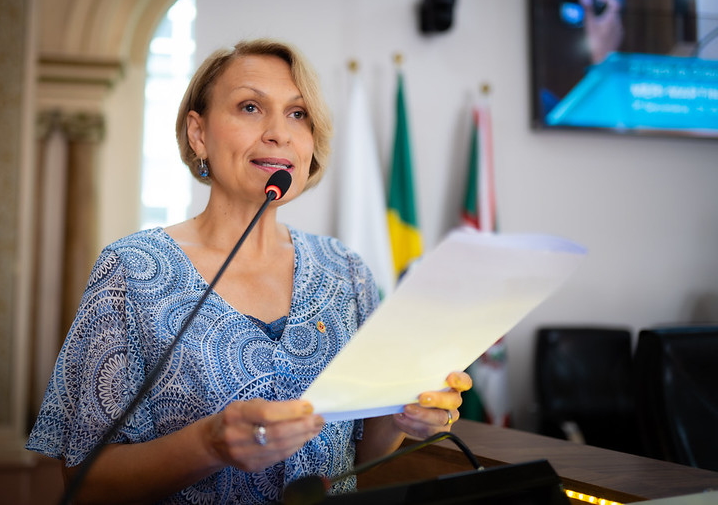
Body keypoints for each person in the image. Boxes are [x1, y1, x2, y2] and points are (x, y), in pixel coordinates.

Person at [26, 38, 472, 505]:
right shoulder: (131, 271)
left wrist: (403, 415)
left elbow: (357, 453)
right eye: (250, 107)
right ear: (199, 134)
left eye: (298, 114)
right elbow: (84, 485)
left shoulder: (347, 272)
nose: (279, 132)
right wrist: (209, 444)